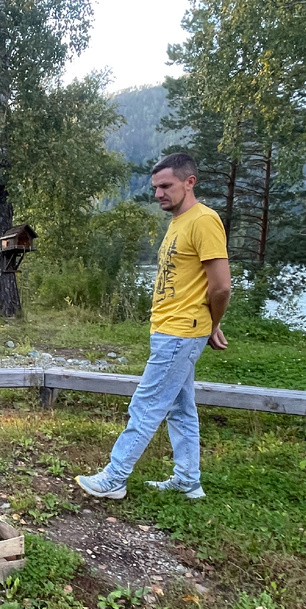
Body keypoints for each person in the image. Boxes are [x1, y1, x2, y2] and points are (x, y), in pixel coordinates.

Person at [76, 152, 231, 501]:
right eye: (156, 188)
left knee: (146, 404)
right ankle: (188, 480)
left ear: (189, 182)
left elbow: (221, 286)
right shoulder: (179, 221)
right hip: (171, 328)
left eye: (166, 186)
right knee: (180, 407)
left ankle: (115, 477)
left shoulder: (204, 220)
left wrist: (212, 324)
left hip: (181, 330)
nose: (159, 193)